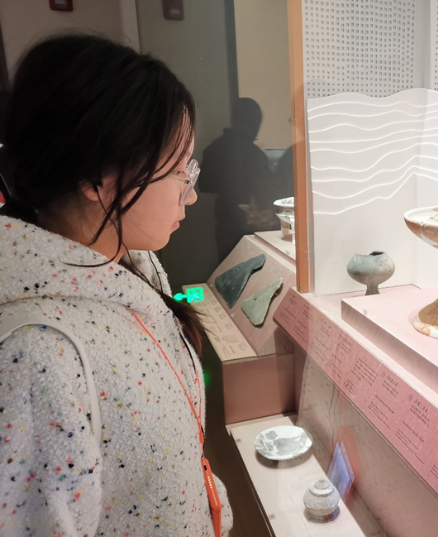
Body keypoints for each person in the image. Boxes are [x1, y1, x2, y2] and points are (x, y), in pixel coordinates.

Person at [0, 35, 233, 536]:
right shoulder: (35, 355)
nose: (190, 195)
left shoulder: (134, 262)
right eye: (178, 171)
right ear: (96, 179)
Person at [200, 98, 279, 260]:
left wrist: (225, 185)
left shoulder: (215, 147)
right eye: (256, 121)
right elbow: (266, 194)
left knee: (227, 265)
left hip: (225, 222)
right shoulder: (253, 153)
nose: (257, 127)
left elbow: (204, 185)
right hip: (252, 223)